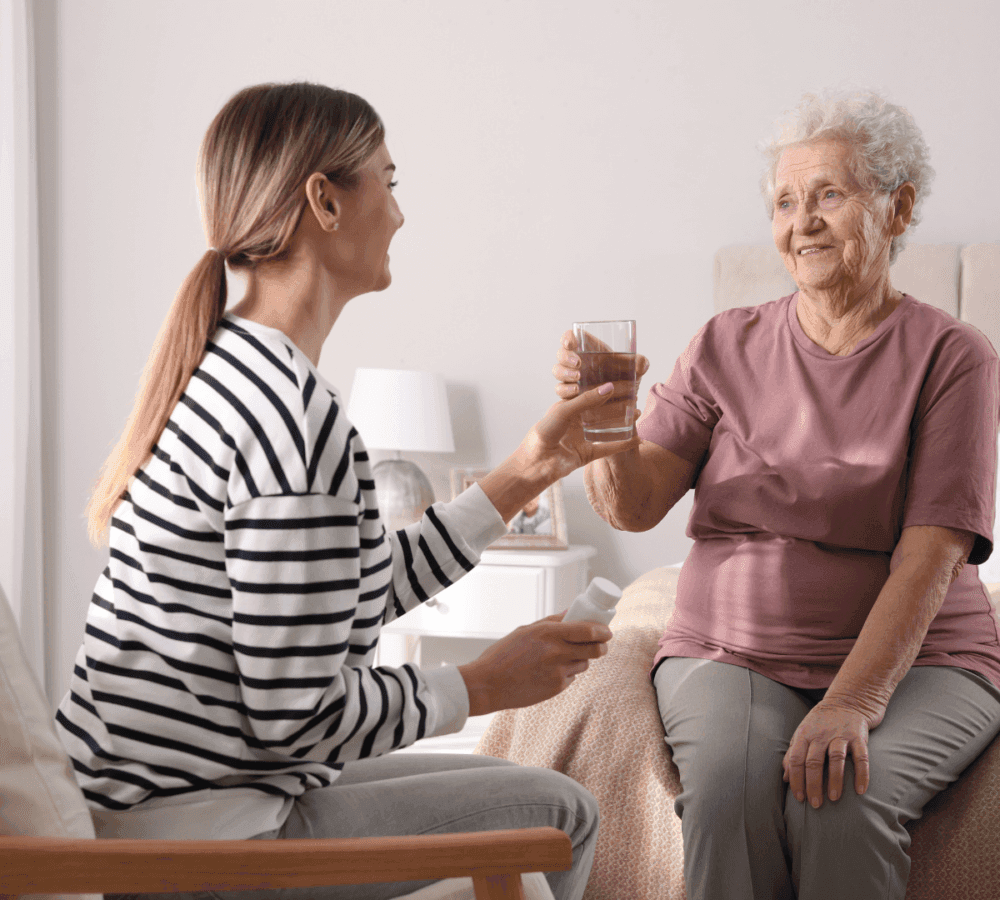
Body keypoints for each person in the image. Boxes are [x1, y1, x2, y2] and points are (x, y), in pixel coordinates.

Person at [54, 82, 639, 900]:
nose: (400, 215)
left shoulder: (226, 371)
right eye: (389, 184)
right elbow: (298, 718)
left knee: (514, 786)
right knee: (560, 811)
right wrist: (482, 685)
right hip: (205, 837)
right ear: (324, 201)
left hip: (158, 808)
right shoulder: (293, 419)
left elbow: (340, 596)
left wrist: (529, 470)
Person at [553, 88, 1000, 900]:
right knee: (727, 795)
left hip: (924, 659)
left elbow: (932, 555)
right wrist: (606, 425)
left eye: (830, 194)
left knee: (844, 798)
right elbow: (634, 505)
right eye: (785, 202)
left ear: (897, 209)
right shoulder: (725, 343)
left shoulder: (954, 356)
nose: (804, 222)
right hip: (733, 649)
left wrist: (853, 701)